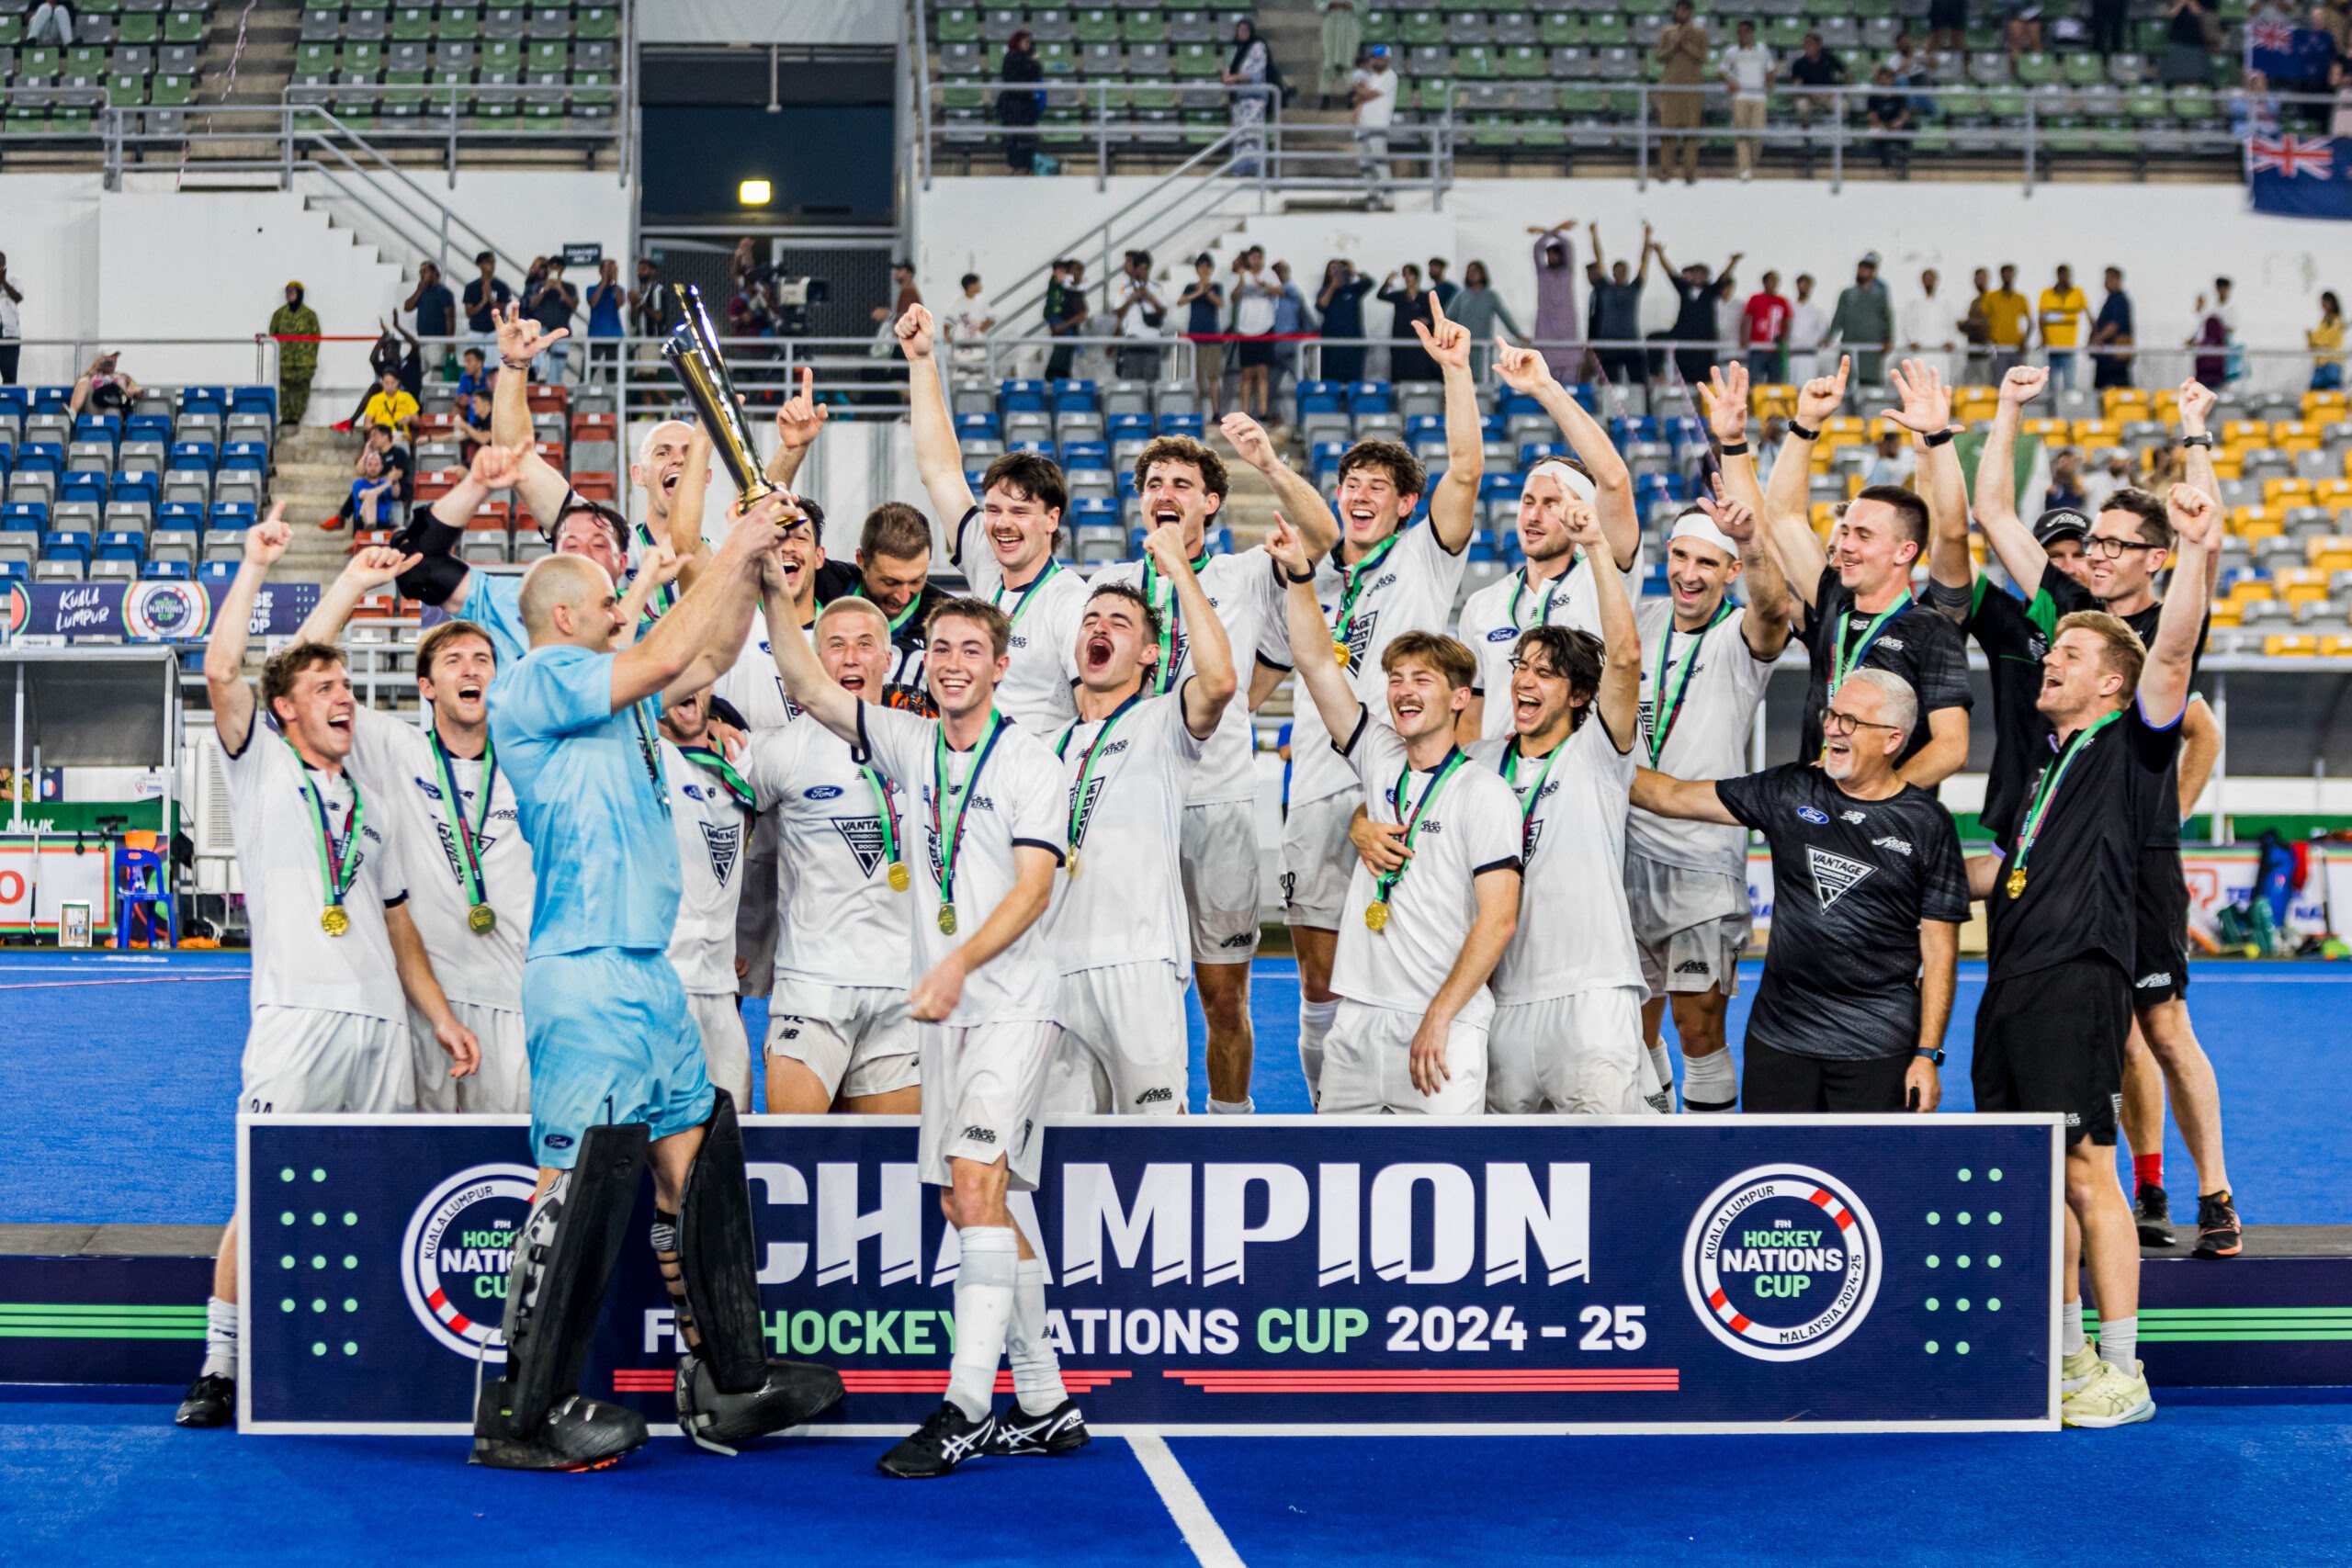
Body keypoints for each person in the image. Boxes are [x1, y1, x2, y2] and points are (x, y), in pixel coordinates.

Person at [474, 491, 842, 1471]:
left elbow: (708, 652)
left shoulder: (619, 692)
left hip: (646, 972)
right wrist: (732, 544)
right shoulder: (538, 681)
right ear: (565, 615)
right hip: (585, 969)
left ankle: (728, 1382)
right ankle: (521, 1413)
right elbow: (669, 651)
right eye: (608, 602)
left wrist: (751, 569)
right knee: (577, 1186)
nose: (621, 609)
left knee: (698, 1162)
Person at [763, 582, 1083, 1475]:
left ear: (1001, 665)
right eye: (939, 648)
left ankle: (966, 1407)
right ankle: (1046, 1402)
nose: (952, 663)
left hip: (1009, 1005)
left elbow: (1033, 891)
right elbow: (809, 683)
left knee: (975, 1185)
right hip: (948, 1016)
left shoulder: (1030, 763)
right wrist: (770, 588)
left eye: (970, 650)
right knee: (973, 1199)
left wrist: (954, 964)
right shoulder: (910, 741)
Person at [175, 510, 481, 1431]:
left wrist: (437, 1015)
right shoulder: (260, 766)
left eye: (348, 683)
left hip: (384, 1025)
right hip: (297, 1018)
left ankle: (367, 1361)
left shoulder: (373, 805)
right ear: (288, 711)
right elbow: (223, 671)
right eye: (324, 686)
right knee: (262, 1190)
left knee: (379, 1194)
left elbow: (399, 927)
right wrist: (253, 567)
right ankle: (221, 1363)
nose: (344, 694)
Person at [1950, 368, 2236, 1261]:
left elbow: (2206, 551)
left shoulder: (2169, 628)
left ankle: (2215, 1191)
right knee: (2101, 1030)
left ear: (2155, 557)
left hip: (2137, 856)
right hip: (2057, 852)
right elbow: (1993, 513)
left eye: (2115, 543)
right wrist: (2005, 407)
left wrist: (2194, 435)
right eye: (2095, 541)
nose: (2096, 554)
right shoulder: (2070, 613)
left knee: (2163, 1027)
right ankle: (2140, 1184)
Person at [1966, 485, 2215, 1429]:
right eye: (2052, 651)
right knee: (2037, 1175)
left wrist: (2195, 550)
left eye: (2070, 654)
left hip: (2078, 976)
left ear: (2113, 683)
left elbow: (2174, 654)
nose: (2051, 660)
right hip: (2013, 979)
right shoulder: (2048, 760)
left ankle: (2123, 1367)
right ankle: (2068, 1357)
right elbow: (2010, 869)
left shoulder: (2130, 743)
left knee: (2085, 1170)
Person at [1276, 298, 1485, 1104]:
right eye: (1350, 484)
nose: (1360, 494)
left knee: (1410, 954)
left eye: (1378, 486)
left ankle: (1425, 1098)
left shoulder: (1425, 556)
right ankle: (1331, 1111)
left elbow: (1464, 469)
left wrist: (1455, 371)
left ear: (1404, 504)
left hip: (1401, 775)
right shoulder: (1318, 578)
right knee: (1318, 980)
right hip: (1316, 784)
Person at [1098, 430, 1336, 1114]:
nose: (1165, 494)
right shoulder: (1108, 589)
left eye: (1181, 484)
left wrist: (1268, 463)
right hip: (1132, 806)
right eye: (1154, 484)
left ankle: (1230, 1124)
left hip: (1219, 804)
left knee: (1225, 995)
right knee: (1136, 984)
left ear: (1211, 503)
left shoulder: (1246, 574)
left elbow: (1323, 535)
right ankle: (1151, 1116)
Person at [1272, 519, 1521, 1115]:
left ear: (1459, 697)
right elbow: (1316, 663)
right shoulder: (1380, 757)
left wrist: (1440, 1016)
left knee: (1446, 1173)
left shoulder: (1485, 792)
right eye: (1396, 679)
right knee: (1338, 1173)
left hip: (1442, 1025)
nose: (1404, 690)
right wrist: (1301, 578)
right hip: (1358, 1021)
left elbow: (1499, 920)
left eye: (1423, 680)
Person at [1634, 665, 1964, 1112]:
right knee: (1773, 1158)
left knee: (1866, 1162)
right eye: (1833, 714)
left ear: (1892, 739)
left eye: (1851, 720)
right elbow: (1670, 796)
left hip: (1877, 1048)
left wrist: (1927, 1054)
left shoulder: (1927, 823)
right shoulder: (1792, 789)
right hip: (1780, 1042)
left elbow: (1940, 951)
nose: (1833, 727)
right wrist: (1592, 758)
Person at [296, 542, 535, 1115]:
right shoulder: (395, 750)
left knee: (508, 1158)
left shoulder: (531, 760)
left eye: (482, 659)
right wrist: (353, 586)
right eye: (452, 660)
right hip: (418, 1003)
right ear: (426, 687)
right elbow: (300, 679)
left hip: (513, 1001)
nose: (470, 669)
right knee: (419, 1161)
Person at [1627, 367, 1794, 1113]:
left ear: (1728, 572)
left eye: (1707, 563)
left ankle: (1706, 1150)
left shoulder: (1738, 638)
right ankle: (1652, 1141)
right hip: (1622, 855)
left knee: (1698, 1031)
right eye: (1681, 558)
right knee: (1629, 1029)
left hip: (1702, 863)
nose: (1689, 574)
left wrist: (1751, 541)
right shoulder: (1639, 624)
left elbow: (1774, 606)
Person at [1046, 529, 1237, 1116]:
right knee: (1056, 1147)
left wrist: (1181, 573)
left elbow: (1220, 681)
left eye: (1119, 623)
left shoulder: (1164, 721)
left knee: (1157, 1142)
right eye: (1090, 620)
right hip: (1052, 970)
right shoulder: (1045, 746)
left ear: (1150, 654)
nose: (1099, 628)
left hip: (1139, 962)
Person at [1464, 507, 1648, 1113]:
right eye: (1520, 667)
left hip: (1592, 994)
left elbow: (1625, 657)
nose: (1525, 680)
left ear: (1580, 694)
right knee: (1511, 1162)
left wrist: (1597, 546)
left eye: (1546, 673)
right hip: (1504, 1000)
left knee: (1611, 1159)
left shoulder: (1598, 752)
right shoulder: (1479, 764)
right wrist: (1363, 823)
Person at [1761, 355, 1973, 785]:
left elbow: (1952, 747)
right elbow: (1783, 516)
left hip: (1884, 819)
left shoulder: (1932, 629)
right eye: (1845, 532)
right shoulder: (1834, 599)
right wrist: (1806, 424)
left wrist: (1875, 798)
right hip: (1814, 805)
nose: (1845, 546)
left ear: (1904, 552)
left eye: (1863, 535)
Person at [748, 597, 922, 1116]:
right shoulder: (781, 749)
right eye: (836, 645)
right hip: (811, 986)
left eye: (865, 644)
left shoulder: (921, 746)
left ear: (887, 659)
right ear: (813, 659)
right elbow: (725, 830)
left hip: (900, 988)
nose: (850, 658)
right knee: (796, 1152)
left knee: (890, 1161)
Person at [903, 304, 1086, 736]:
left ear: (1052, 519)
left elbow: (1095, 715)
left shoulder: (1070, 602)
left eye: (1020, 512)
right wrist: (922, 361)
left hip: (1036, 771)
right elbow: (940, 471)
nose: (1002, 524)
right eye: (994, 509)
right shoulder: (987, 561)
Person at [1456, 341, 1644, 739]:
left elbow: (1614, 480)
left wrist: (1546, 389)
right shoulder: (1482, 606)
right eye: (1528, 502)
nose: (1534, 515)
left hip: (1583, 771)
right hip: (1503, 775)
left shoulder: (1606, 577)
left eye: (1551, 504)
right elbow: (1472, 715)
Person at [651, 682, 760, 1109]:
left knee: (733, 1134)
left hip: (721, 991)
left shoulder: (739, 763)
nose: (687, 685)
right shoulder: (646, 759)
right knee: (656, 1133)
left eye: (699, 675)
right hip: (661, 988)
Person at [1652, 238, 1740, 389]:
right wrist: (1660, 254)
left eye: (1702, 274)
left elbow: (1724, 277)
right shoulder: (1684, 288)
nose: (1699, 277)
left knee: (1705, 374)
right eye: (1696, 273)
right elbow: (1670, 272)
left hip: (1704, 338)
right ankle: (1658, 375)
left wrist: (1733, 262)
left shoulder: (1710, 291)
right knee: (1657, 340)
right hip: (1685, 337)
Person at [1586, 225, 1652, 387]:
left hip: (1630, 342)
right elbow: (1599, 257)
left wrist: (1647, 237)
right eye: (1617, 270)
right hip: (1609, 344)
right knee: (1611, 385)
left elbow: (1644, 262)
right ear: (1613, 272)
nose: (1620, 273)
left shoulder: (1633, 289)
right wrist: (1594, 234)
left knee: (1640, 384)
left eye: (1623, 270)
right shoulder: (1605, 288)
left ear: (1627, 273)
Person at [1654, 0, 1710, 186]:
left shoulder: (1699, 32)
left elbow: (1703, 58)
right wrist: (1673, 47)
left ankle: (1689, 172)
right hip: (1671, 87)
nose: (1681, 13)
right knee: (1667, 132)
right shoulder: (1667, 32)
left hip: (1692, 89)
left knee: (1691, 133)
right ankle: (1665, 170)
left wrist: (1686, 46)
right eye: (1679, 10)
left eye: (1685, 10)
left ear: (1690, 12)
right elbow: (1659, 56)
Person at [1448, 260, 1523, 380]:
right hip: (1464, 346)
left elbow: (1505, 317)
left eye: (1475, 271)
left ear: (1482, 273)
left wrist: (1518, 335)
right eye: (1469, 271)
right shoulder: (1461, 296)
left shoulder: (1491, 296)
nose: (1472, 274)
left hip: (1483, 347)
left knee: (1484, 378)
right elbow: (1449, 317)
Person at [1528, 222, 1584, 384]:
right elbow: (1537, 248)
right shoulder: (1543, 274)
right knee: (1547, 385)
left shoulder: (1567, 273)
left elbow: (1568, 246)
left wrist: (1553, 231)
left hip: (1567, 336)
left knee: (1568, 386)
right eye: (1549, 255)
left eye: (1555, 254)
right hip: (1546, 334)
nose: (1552, 258)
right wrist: (1546, 232)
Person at [1827, 254, 1894, 385]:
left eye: (1867, 268)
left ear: (1873, 273)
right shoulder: (1847, 294)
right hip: (1850, 345)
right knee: (1847, 381)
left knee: (1870, 385)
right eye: (1861, 268)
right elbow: (1838, 318)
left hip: (1871, 349)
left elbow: (1887, 318)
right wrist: (1828, 337)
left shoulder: (1880, 296)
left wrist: (1888, 340)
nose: (1863, 271)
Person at [1722, 19, 1776, 180]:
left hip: (1759, 97)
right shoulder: (1731, 52)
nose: (1741, 35)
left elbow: (1771, 70)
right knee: (1742, 134)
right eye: (1739, 32)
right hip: (1740, 97)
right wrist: (1729, 82)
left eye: (1744, 32)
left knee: (1757, 134)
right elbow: (1722, 71)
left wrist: (1770, 81)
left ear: (1752, 33)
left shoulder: (1763, 50)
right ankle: (1744, 169)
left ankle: (1751, 165)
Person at [1231, 251, 1279, 420]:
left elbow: (1280, 291)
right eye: (1253, 258)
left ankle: (1263, 411)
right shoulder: (1243, 275)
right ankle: (1244, 412)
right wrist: (1241, 280)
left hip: (1264, 327)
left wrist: (1262, 284)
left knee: (1262, 372)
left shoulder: (1269, 274)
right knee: (1246, 374)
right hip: (1246, 328)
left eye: (1259, 257)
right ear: (1248, 260)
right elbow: (1233, 297)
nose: (1256, 261)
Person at [1351, 44, 1400, 202]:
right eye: (1374, 58)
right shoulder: (1371, 78)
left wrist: (1361, 91)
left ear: (1386, 60)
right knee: (1365, 164)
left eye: (1380, 58)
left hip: (1379, 124)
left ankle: (1389, 198)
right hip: (1363, 125)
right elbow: (1357, 99)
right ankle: (1373, 195)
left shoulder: (1390, 77)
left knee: (1379, 161)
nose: (1376, 61)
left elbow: (1369, 95)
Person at [1223, 18, 1272, 173]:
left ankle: (1257, 170)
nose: (1242, 33)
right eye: (1239, 30)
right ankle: (1239, 169)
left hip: (1254, 98)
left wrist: (1234, 78)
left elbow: (1256, 73)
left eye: (1245, 30)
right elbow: (1228, 67)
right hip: (1238, 99)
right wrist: (1227, 76)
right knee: (1239, 135)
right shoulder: (1234, 49)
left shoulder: (1258, 46)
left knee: (1253, 135)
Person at [1181, 254, 1227, 412]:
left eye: (1207, 267)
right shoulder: (1190, 287)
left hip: (1212, 336)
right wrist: (1198, 292)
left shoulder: (1216, 287)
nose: (1204, 270)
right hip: (1195, 337)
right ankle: (1197, 411)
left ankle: (1216, 411)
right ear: (1196, 269)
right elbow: (1181, 301)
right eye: (1201, 267)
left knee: (1213, 376)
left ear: (1211, 269)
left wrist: (1207, 292)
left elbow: (1220, 303)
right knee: (1197, 377)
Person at [1112, 252, 1168, 383]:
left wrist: (1150, 298)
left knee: (1151, 385)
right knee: (1132, 385)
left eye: (1146, 269)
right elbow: (1118, 313)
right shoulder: (1125, 290)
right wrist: (1133, 298)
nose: (1144, 272)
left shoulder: (1157, 288)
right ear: (1135, 269)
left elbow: (1163, 312)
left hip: (1152, 341)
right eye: (1140, 269)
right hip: (1132, 342)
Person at [1378, 264, 1439, 382]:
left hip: (1419, 341)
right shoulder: (1399, 296)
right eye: (1405, 275)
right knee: (1400, 369)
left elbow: (1434, 315)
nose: (1407, 278)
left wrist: (1427, 320)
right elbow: (1381, 295)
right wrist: (1388, 281)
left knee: (1419, 370)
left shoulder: (1425, 296)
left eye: (1410, 274)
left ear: (1416, 276)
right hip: (1400, 338)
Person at [1317, 258, 1374, 383]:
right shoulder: (1324, 290)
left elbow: (1369, 282)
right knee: (1331, 376)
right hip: (1332, 342)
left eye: (1339, 268)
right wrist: (1333, 286)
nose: (1337, 271)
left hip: (1353, 341)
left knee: (1353, 376)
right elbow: (1321, 306)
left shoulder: (1354, 289)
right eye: (1333, 269)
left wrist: (1352, 271)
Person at [999, 29, 1045, 174]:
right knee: (1014, 137)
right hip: (1013, 104)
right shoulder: (1013, 58)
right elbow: (1019, 74)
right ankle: (1016, 166)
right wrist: (1032, 61)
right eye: (1025, 42)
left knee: (1026, 137)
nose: (1027, 45)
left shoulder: (1027, 58)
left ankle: (1025, 166)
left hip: (1026, 104)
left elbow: (1036, 73)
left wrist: (1033, 61)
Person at [1901, 268, 1956, 388]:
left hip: (1941, 354)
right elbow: (1907, 326)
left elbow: (1952, 327)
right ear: (1922, 281)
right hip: (1921, 353)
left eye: (1931, 278)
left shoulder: (1945, 305)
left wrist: (1950, 342)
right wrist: (1911, 341)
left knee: (1940, 386)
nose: (1929, 281)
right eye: (1926, 278)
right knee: (1919, 386)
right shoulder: (1914, 305)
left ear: (1936, 281)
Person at [2039, 264, 2091, 389]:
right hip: (2052, 348)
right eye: (2064, 275)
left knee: (2070, 385)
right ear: (2058, 276)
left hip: (2069, 348)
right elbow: (2041, 319)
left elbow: (2089, 315)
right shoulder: (2046, 294)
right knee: (2051, 386)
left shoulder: (2077, 293)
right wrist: (2043, 339)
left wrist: (2092, 338)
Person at [1981, 263, 2032, 380]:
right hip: (1998, 349)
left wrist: (2024, 341)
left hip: (2016, 349)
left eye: (2010, 274)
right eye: (2005, 274)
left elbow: (2030, 321)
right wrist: (1988, 339)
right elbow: (1984, 320)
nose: (2008, 277)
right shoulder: (1992, 297)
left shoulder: (2020, 299)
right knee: (1998, 382)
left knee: (2018, 383)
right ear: (2001, 276)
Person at [1741, 270, 1792, 384]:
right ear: (1764, 282)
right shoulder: (1755, 298)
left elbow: (1787, 321)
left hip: (1775, 349)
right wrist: (1743, 337)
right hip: (1757, 348)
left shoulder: (1782, 301)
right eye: (1771, 280)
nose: (1773, 283)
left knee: (1776, 382)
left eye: (1775, 281)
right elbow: (1746, 319)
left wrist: (1784, 338)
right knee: (1756, 381)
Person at [2091, 265, 2135, 389]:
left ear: (2117, 280)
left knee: (2118, 389)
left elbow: (2113, 326)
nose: (2105, 282)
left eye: (2108, 279)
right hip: (2106, 356)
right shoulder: (2110, 300)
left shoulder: (2120, 301)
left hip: (2115, 357)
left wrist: (2098, 339)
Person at [945, 271, 997, 376]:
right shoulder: (957, 303)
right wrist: (946, 334)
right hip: (962, 348)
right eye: (978, 283)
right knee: (960, 377)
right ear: (971, 286)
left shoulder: (982, 301)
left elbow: (992, 318)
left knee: (978, 377)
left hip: (978, 348)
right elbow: (948, 321)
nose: (980, 286)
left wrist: (984, 326)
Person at [583, 257, 626, 385]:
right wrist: (604, 282)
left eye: (611, 269)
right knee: (587, 370)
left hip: (614, 335)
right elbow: (593, 303)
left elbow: (620, 303)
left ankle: (613, 395)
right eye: (607, 269)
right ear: (600, 271)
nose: (609, 272)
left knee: (612, 372)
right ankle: (583, 392)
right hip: (596, 334)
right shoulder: (591, 288)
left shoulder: (618, 289)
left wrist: (615, 281)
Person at [403, 261, 457, 360]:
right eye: (420, 273)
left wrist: (449, 341)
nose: (422, 275)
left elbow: (449, 317)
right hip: (422, 340)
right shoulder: (422, 292)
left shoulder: (443, 292)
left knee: (434, 369)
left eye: (424, 272)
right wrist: (419, 290)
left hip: (437, 341)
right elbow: (407, 307)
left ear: (434, 272)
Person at [462, 251, 511, 352]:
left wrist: (491, 298)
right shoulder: (471, 287)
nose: (492, 265)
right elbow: (469, 313)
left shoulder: (501, 287)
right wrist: (483, 301)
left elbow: (502, 312)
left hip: (495, 331)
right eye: (488, 262)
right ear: (480, 265)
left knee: (496, 361)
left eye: (493, 262)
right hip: (476, 331)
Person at [1865, 68, 1913, 173]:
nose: (1886, 80)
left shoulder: (1899, 95)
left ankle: (1903, 163)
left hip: (1896, 127)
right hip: (1881, 127)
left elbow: (1904, 113)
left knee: (1907, 132)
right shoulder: (1873, 97)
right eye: (1883, 77)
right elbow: (1872, 117)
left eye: (1889, 77)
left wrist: (1899, 122)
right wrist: (1883, 126)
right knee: (1879, 136)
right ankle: (1885, 166)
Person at [1785, 272, 1828, 383]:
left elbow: (1825, 333)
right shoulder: (1789, 308)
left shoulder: (1817, 311)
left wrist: (1823, 341)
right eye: (1801, 283)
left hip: (1809, 357)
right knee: (1790, 388)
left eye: (1807, 284)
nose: (1803, 287)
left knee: (1807, 387)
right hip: (1792, 355)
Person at [1319, 0, 1363, 108]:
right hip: (1331, 22)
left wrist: (1350, 5)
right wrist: (1330, 4)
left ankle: (1351, 96)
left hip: (1349, 23)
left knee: (1349, 61)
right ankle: (1325, 97)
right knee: (1328, 61)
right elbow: (1319, 4)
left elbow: (1364, 5)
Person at [2161, 0, 2215, 84]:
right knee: (2175, 76)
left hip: (2196, 39)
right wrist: (2182, 2)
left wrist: (2190, 2)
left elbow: (2198, 12)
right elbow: (2170, 14)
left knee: (2196, 76)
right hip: (2176, 39)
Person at [360, 367, 419, 440]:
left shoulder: (407, 397)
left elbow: (418, 423)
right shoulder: (375, 399)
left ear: (398, 382)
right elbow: (366, 425)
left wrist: (410, 418)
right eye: (387, 383)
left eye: (392, 383)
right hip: (382, 436)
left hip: (401, 436)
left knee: (398, 439)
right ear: (382, 382)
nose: (390, 386)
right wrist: (378, 427)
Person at [2311, 290, 2346, 391]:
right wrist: (2311, 338)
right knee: (2315, 392)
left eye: (2325, 302)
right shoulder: (2323, 321)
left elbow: (2327, 340)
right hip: (2320, 362)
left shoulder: (2336, 321)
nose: (2323, 305)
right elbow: (2315, 341)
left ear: (2332, 303)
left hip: (2332, 362)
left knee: (2332, 392)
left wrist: (2314, 341)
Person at [0, 252, 19, 385]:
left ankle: (9, 399)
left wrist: (3, 282)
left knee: (10, 379)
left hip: (10, 335)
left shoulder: (13, 280)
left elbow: (18, 297)